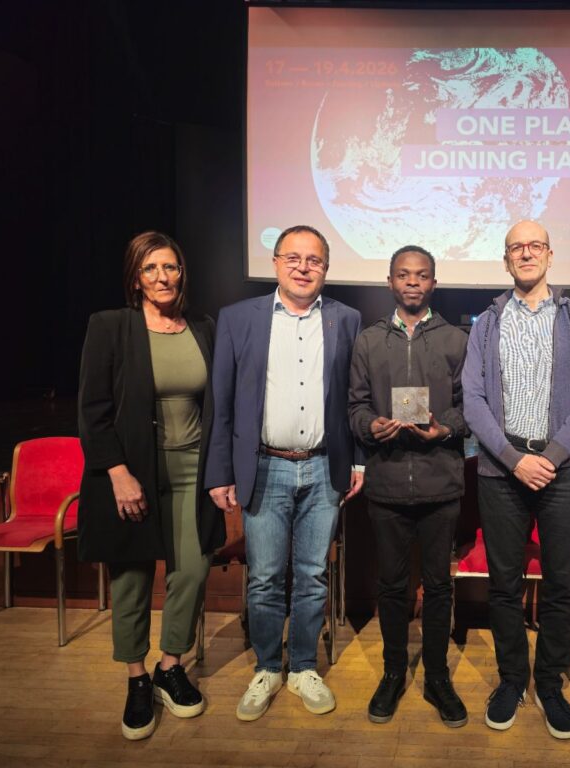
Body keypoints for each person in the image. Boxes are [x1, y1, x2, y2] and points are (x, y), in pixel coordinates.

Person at [205, 225, 363, 722]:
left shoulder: (347, 319)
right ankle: (268, 667)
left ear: (326, 268)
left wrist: (358, 459)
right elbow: (222, 402)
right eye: (292, 257)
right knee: (265, 579)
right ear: (275, 262)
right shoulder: (238, 318)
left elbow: (355, 398)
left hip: (323, 466)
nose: (302, 267)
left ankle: (303, 667)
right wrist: (220, 471)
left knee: (313, 576)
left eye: (313, 260)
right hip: (264, 467)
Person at [78, 231, 226, 741]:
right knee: (132, 575)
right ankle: (136, 678)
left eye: (171, 267)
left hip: (193, 469)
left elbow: (216, 404)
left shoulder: (203, 327)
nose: (163, 277)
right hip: (134, 470)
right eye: (151, 268)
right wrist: (117, 473)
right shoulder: (111, 327)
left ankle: (170, 666)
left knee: (193, 568)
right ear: (135, 277)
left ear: (182, 273)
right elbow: (93, 410)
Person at [462, 220, 570, 740]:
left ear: (550, 254)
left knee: (562, 584)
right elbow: (473, 399)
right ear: (506, 260)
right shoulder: (487, 323)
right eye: (516, 248)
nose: (526, 254)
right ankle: (510, 681)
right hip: (501, 471)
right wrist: (512, 458)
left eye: (534, 245)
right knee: (504, 585)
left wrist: (552, 455)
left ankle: (549, 684)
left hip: (564, 470)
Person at [348, 245, 470, 727]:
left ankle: (437, 677)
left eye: (421, 275)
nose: (412, 282)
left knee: (438, 586)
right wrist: (369, 426)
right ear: (390, 282)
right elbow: (355, 406)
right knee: (392, 586)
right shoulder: (368, 340)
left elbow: (472, 406)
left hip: (441, 483)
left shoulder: (457, 339)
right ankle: (393, 672)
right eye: (404, 275)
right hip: (389, 483)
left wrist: (445, 428)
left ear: (433, 283)